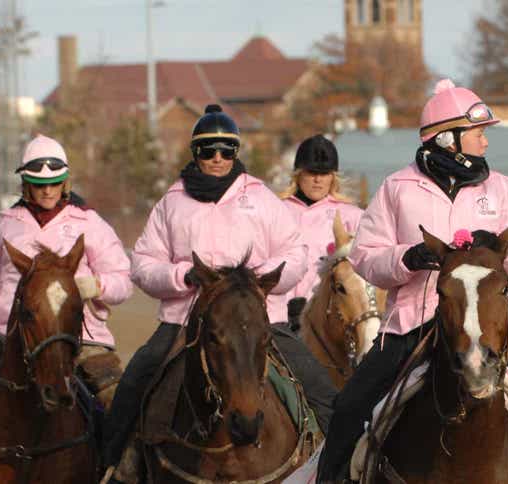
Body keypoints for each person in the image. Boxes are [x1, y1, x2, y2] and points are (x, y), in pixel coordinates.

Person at [316, 79, 508, 482]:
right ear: (447, 138)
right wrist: (407, 258)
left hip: (495, 326)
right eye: (478, 133)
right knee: (348, 408)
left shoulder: (501, 188)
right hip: (412, 325)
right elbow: (363, 254)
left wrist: (496, 254)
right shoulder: (396, 188)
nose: (485, 142)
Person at [104, 104, 337, 474]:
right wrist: (182, 276)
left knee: (322, 389)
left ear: (235, 153)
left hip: (261, 319)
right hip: (184, 321)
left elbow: (296, 252)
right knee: (135, 379)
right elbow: (143, 263)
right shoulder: (172, 202)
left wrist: (258, 285)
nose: (217, 158)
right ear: (195, 153)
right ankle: (115, 466)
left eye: (226, 150)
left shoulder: (261, 199)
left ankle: (334, 467)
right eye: (208, 150)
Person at [0, 134, 132, 404]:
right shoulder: (3, 225)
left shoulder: (90, 223)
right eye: (39, 185)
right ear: (26, 184)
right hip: (7, 337)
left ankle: (126, 448)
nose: (48, 191)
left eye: (55, 183)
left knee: (118, 405)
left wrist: (95, 286)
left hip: (82, 339)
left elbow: (123, 281)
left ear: (65, 182)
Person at [279, 134, 364, 325]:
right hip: (279, 314)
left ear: (333, 177)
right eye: (311, 172)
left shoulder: (352, 217)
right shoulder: (277, 210)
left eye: (324, 173)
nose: (317, 180)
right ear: (298, 174)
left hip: (329, 318)